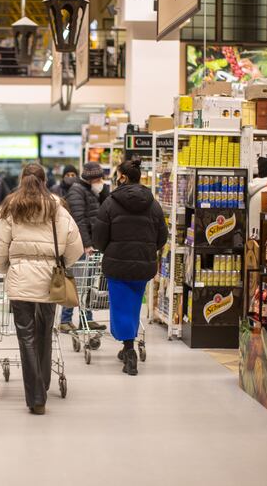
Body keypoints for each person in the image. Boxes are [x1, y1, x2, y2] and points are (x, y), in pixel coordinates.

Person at [0, 163, 83, 415]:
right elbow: (75, 246)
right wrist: (59, 264)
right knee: (44, 332)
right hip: (50, 280)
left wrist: (9, 268)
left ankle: (36, 397)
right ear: (44, 179)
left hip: (20, 279)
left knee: (26, 336)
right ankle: (44, 381)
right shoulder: (57, 207)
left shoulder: (10, 206)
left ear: (22, 179)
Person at [92, 159, 167, 376]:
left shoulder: (110, 203)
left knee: (120, 307)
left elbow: (98, 238)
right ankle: (127, 346)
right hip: (143, 265)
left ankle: (129, 351)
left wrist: (111, 250)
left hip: (117, 265)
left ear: (122, 177)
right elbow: (162, 236)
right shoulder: (153, 204)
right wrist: (147, 250)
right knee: (133, 307)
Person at [60, 161, 107, 333]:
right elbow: (79, 220)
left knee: (86, 284)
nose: (101, 181)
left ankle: (86, 318)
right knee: (76, 283)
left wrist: (103, 191)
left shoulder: (91, 191)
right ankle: (65, 320)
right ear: (91, 179)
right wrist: (86, 244)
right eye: (98, 179)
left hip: (91, 244)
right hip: (80, 245)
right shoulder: (77, 191)